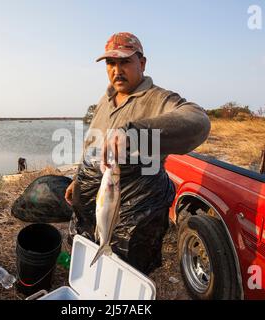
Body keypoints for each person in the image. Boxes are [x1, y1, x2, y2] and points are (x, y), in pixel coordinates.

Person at [65, 32, 210, 274]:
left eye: (125, 62)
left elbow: (198, 121)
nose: (116, 70)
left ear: (141, 63)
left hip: (137, 208)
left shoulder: (159, 98)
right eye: (111, 64)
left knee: (128, 266)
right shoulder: (106, 98)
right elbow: (92, 141)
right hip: (98, 197)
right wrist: (76, 181)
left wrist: (135, 132)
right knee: (92, 252)